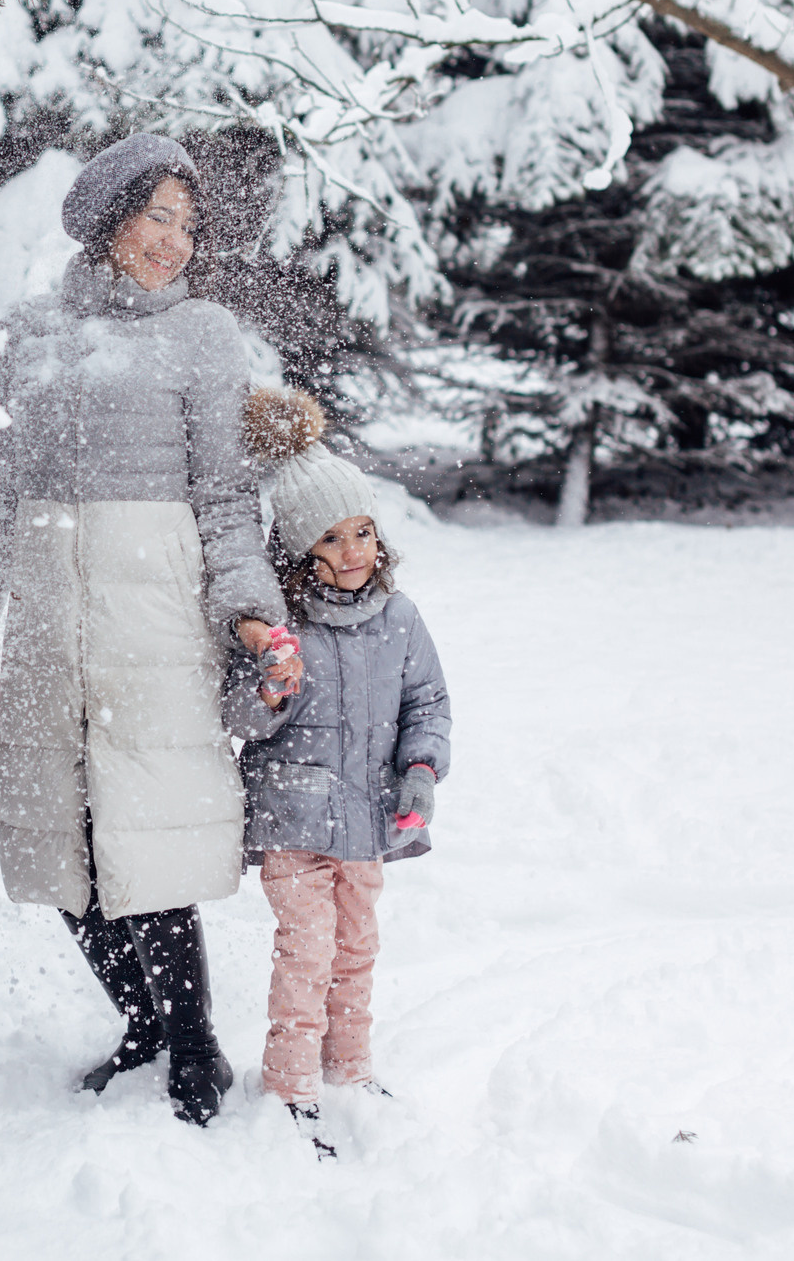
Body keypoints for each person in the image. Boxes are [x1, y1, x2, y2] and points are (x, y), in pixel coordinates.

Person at [0, 133, 298, 1126]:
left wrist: (252, 614)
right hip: (51, 612)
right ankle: (138, 1023)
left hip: (155, 615)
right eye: (154, 218)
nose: (173, 242)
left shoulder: (204, 336)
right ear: (107, 221)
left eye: (186, 222)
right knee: (62, 830)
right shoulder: (32, 332)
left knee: (142, 833)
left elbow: (223, 495)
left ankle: (191, 1048)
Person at [227, 387, 451, 1158]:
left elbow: (428, 701)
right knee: (309, 948)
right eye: (332, 536)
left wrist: (421, 770)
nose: (354, 549)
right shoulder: (281, 628)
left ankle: (347, 1067)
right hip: (294, 821)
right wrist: (268, 687)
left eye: (362, 529)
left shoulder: (400, 617)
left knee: (357, 947)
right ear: (300, 551)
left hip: (368, 818)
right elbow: (238, 721)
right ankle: (290, 1084)